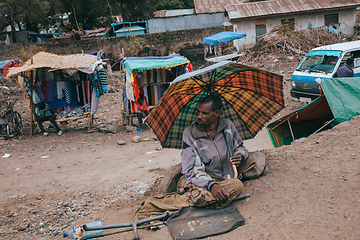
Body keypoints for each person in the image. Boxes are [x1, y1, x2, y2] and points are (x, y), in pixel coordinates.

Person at [135, 94, 267, 220]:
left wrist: (240, 155)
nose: (199, 116)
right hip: (199, 179)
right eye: (198, 112)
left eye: (204, 113)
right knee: (235, 187)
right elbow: (191, 171)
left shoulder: (228, 126)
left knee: (235, 185)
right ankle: (154, 205)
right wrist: (211, 185)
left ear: (217, 113)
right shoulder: (189, 134)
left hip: (225, 179)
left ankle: (198, 202)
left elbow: (240, 147)